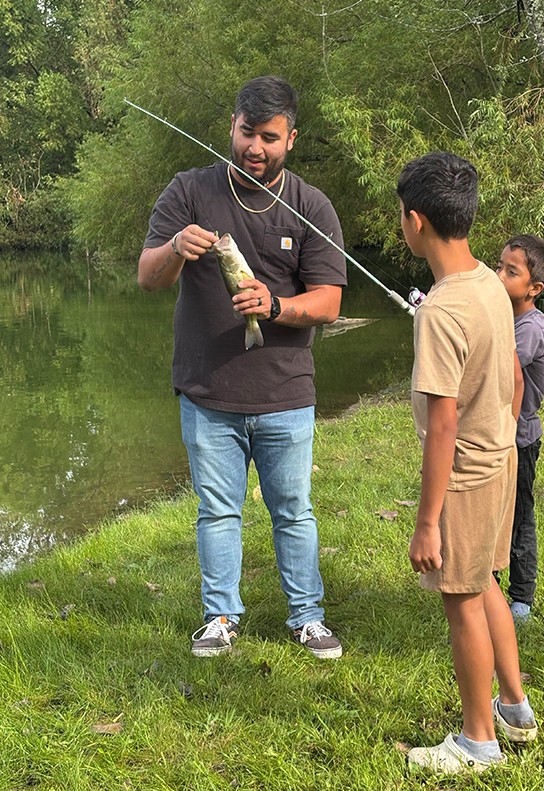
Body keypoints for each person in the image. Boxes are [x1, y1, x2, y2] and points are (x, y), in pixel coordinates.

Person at [137, 76, 346, 659]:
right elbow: (147, 278)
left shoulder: (310, 205)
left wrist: (275, 305)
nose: (256, 147)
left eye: (269, 137)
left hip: (284, 393)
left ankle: (307, 616)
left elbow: (328, 303)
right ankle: (220, 616)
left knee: (293, 511)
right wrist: (177, 247)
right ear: (232, 127)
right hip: (207, 391)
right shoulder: (189, 191)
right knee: (218, 511)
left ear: (291, 139)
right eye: (247, 133)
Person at [397, 152, 537, 776]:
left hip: (465, 480)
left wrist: (428, 520)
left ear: (415, 220)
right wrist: (502, 433)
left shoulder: (439, 311)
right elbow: (509, 374)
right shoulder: (487, 283)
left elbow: (443, 426)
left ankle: (479, 741)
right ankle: (515, 706)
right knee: (485, 585)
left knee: (462, 601)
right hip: (501, 460)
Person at [495, 234, 544, 622]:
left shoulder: (532, 327)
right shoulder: (508, 319)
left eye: (510, 271)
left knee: (518, 516)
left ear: (535, 288)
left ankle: (521, 596)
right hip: (497, 434)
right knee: (493, 514)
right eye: (498, 266)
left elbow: (497, 366)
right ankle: (489, 583)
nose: (499, 275)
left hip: (519, 439)